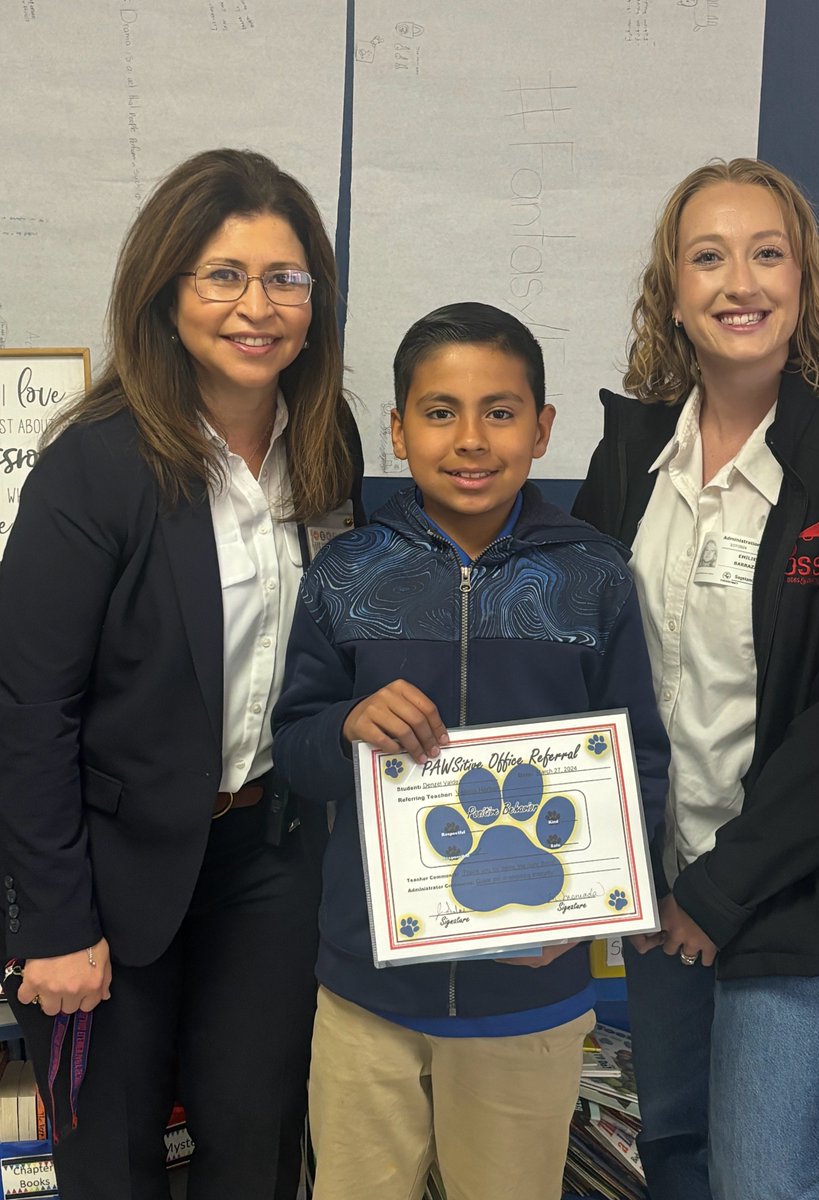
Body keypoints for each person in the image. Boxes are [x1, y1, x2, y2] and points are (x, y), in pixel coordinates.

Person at [0, 148, 363, 1200]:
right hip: (107, 872)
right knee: (112, 1165)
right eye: (224, 276)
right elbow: (27, 709)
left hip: (268, 859)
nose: (258, 307)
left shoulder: (325, 445)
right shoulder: (99, 463)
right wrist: (56, 926)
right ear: (167, 293)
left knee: (254, 1150)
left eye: (285, 279)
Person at [271, 301, 670, 1200]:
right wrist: (345, 729)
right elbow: (293, 747)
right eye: (439, 411)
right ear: (399, 431)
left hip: (528, 1003)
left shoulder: (592, 577)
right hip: (366, 993)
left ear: (542, 428)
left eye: (501, 411)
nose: (471, 439)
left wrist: (582, 914)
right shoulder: (348, 573)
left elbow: (638, 765)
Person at [572, 158, 819, 1200]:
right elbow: (572, 654)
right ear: (670, 291)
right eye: (705, 258)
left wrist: (716, 895)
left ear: (802, 280)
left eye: (766, 255)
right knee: (672, 1153)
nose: (738, 283)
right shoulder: (630, 461)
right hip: (654, 888)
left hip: (786, 901)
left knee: (766, 1181)